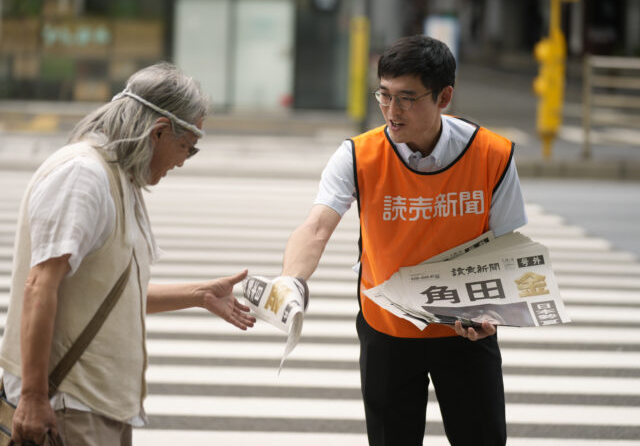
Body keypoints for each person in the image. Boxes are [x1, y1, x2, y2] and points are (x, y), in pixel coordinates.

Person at [280, 36, 527, 445]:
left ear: (444, 96)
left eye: (407, 99)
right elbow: (316, 227)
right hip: (387, 330)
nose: (391, 112)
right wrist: (291, 280)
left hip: (464, 330)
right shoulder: (359, 155)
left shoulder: (492, 154)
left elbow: (507, 244)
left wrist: (495, 313)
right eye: (384, 95)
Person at [0, 62, 256, 445]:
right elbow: (39, 285)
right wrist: (35, 397)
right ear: (158, 131)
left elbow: (109, 296)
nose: (183, 160)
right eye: (186, 146)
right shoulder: (83, 174)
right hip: (67, 404)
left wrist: (200, 295)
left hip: (97, 406)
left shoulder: (119, 178)